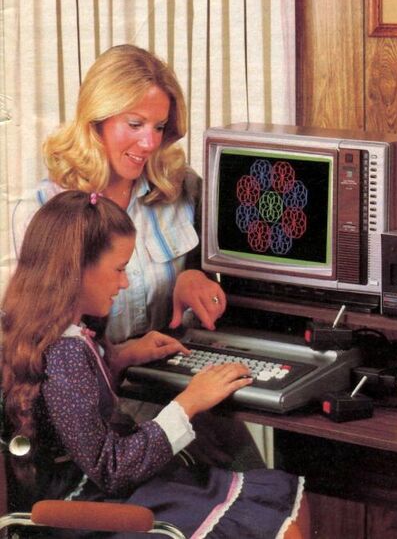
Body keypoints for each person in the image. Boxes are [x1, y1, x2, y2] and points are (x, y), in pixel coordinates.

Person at [1, 191, 309, 538]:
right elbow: (112, 468)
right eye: (118, 269)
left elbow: (70, 412)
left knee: (276, 503)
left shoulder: (49, 331)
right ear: (77, 269)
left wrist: (122, 357)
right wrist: (189, 402)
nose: (125, 282)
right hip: (88, 506)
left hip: (94, 491)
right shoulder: (65, 352)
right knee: (282, 519)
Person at [10, 44, 262, 468]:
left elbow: (221, 271)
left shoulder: (181, 189)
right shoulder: (45, 210)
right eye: (134, 123)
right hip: (106, 412)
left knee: (259, 481)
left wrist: (194, 278)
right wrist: (121, 356)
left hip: (181, 381)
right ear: (97, 121)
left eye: (159, 126)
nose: (149, 142)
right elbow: (44, 346)